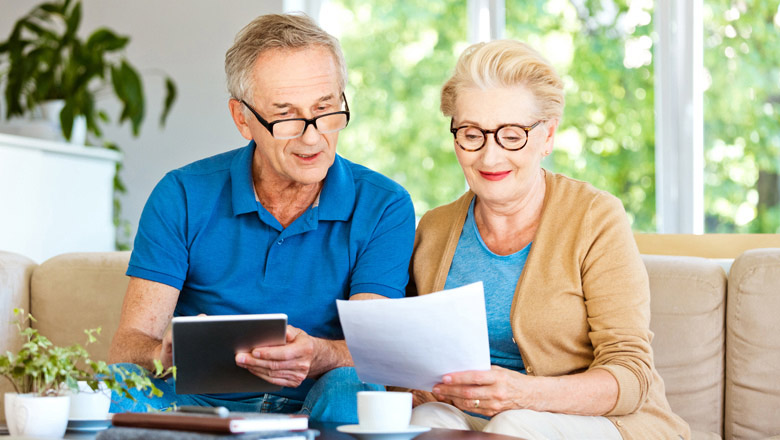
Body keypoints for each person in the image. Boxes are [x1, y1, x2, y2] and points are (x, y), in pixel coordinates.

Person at [107, 13, 415, 423]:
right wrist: (158, 352)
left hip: (315, 401)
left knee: (355, 389)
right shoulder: (181, 193)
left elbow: (373, 348)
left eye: (325, 109)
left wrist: (319, 353)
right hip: (195, 403)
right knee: (118, 386)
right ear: (242, 119)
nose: (312, 137)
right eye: (286, 116)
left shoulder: (385, 204)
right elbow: (127, 346)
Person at [406, 40, 690, 439]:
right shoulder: (434, 230)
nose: (489, 157)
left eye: (511, 135)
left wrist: (522, 393)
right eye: (471, 134)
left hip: (604, 423)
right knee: (424, 422)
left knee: (512, 424)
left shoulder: (595, 217)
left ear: (547, 136)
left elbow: (631, 375)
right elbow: (408, 356)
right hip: (473, 419)